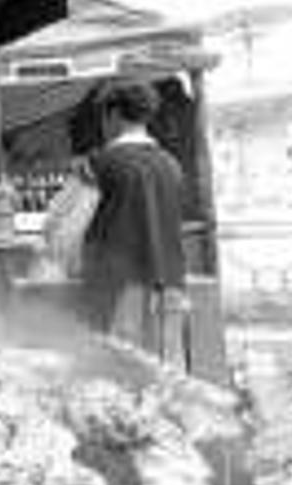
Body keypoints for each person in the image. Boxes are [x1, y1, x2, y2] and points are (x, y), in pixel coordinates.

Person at [81, 79, 189, 368]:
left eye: (103, 117)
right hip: (170, 289)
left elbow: (64, 232)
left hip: (119, 291)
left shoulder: (99, 164)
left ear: (112, 115)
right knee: (169, 379)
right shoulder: (171, 164)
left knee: (120, 377)